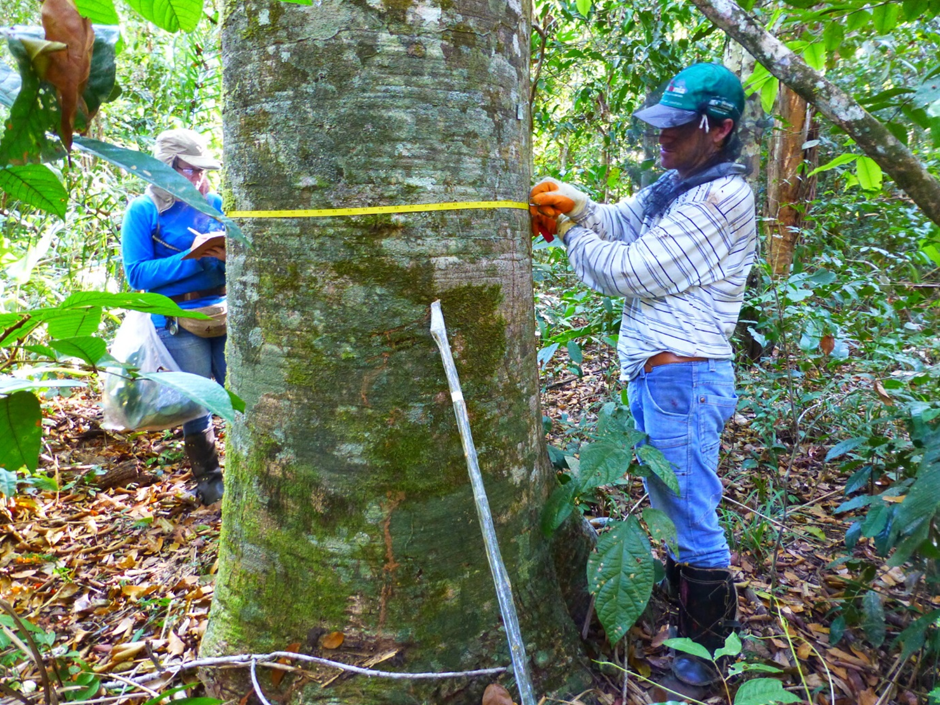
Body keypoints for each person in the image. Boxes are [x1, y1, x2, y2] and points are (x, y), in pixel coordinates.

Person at [530, 63, 757, 687]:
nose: (664, 138)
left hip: (684, 380)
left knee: (689, 514)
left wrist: (568, 228)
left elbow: (632, 269)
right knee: (678, 504)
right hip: (664, 378)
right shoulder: (681, 182)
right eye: (661, 125)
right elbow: (625, 222)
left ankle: (706, 661)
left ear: (719, 130)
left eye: (678, 129)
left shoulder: (720, 196)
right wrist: (576, 202)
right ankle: (696, 636)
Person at [121, 128, 227, 506]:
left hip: (223, 311)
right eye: (189, 170)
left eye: (201, 171)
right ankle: (210, 482)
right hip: (177, 319)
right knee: (198, 400)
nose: (197, 179)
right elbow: (137, 274)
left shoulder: (213, 202)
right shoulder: (144, 210)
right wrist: (192, 259)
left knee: (238, 392)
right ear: (167, 168)